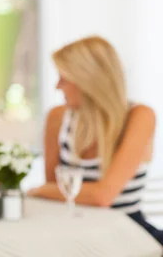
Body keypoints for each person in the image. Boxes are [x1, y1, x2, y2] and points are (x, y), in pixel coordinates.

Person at [27, 36, 162, 244]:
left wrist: (38, 190)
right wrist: (48, 191)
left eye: (64, 78)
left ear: (87, 79)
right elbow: (55, 192)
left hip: (131, 233)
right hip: (76, 230)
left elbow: (102, 197)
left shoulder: (140, 116)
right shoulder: (57, 117)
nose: (57, 86)